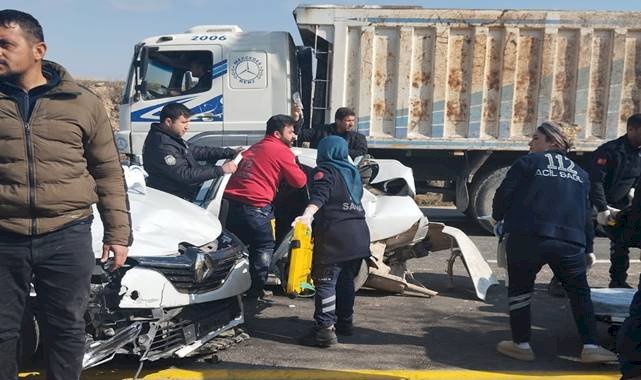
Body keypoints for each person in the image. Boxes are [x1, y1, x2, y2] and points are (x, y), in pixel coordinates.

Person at [0, 9, 132, 380]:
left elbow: (107, 170)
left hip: (66, 232)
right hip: (4, 235)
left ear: (38, 49)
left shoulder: (82, 102)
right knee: (3, 331)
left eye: (5, 44)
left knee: (66, 327)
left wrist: (118, 234)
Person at [492, 121, 616, 363]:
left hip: (527, 237)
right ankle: (591, 346)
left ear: (553, 142)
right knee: (579, 293)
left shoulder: (527, 163)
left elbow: (504, 193)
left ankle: (522, 344)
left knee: (520, 290)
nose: (530, 143)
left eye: (536, 138)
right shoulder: (581, 174)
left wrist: (499, 216)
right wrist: (588, 249)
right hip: (570, 243)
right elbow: (585, 214)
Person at [295, 136, 371, 347]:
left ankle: (324, 330)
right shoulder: (352, 172)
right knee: (346, 281)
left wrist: (307, 214)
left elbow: (320, 195)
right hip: (359, 236)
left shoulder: (325, 171)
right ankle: (345, 323)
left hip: (336, 236)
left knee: (326, 283)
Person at [224, 115, 307, 299]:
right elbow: (300, 182)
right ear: (277, 134)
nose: (294, 136)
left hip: (229, 205)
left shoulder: (254, 148)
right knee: (264, 246)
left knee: (235, 248)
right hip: (256, 206)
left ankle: (227, 288)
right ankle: (256, 289)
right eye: (291, 132)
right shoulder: (282, 151)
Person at [143, 102, 238, 201]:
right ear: (168, 122)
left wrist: (229, 152)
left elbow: (196, 151)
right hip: (173, 199)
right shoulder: (162, 145)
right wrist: (220, 170)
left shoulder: (170, 138)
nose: (187, 127)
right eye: (183, 122)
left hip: (181, 196)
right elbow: (184, 175)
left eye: (188, 122)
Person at [589, 113, 641, 288]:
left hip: (619, 207)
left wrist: (632, 193)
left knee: (620, 243)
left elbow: (634, 178)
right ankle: (559, 281)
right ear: (631, 129)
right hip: (595, 204)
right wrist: (601, 208)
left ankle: (618, 281)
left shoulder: (638, 153)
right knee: (581, 245)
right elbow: (596, 181)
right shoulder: (611, 151)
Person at [295, 106, 368, 160]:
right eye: (348, 121)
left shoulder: (358, 138)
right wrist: (296, 119)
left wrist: (336, 151)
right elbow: (299, 135)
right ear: (338, 121)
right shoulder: (320, 131)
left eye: (353, 120)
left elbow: (361, 153)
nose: (351, 124)